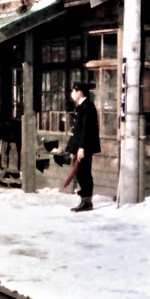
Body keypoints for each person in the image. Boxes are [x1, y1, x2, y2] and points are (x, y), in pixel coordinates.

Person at [62, 82, 101, 212]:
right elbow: (77, 131)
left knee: (84, 173)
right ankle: (84, 200)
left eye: (73, 91)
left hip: (85, 146)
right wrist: (73, 148)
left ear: (80, 92)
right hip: (79, 146)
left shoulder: (88, 107)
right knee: (80, 173)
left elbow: (87, 130)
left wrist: (82, 147)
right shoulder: (81, 106)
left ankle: (87, 202)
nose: (72, 94)